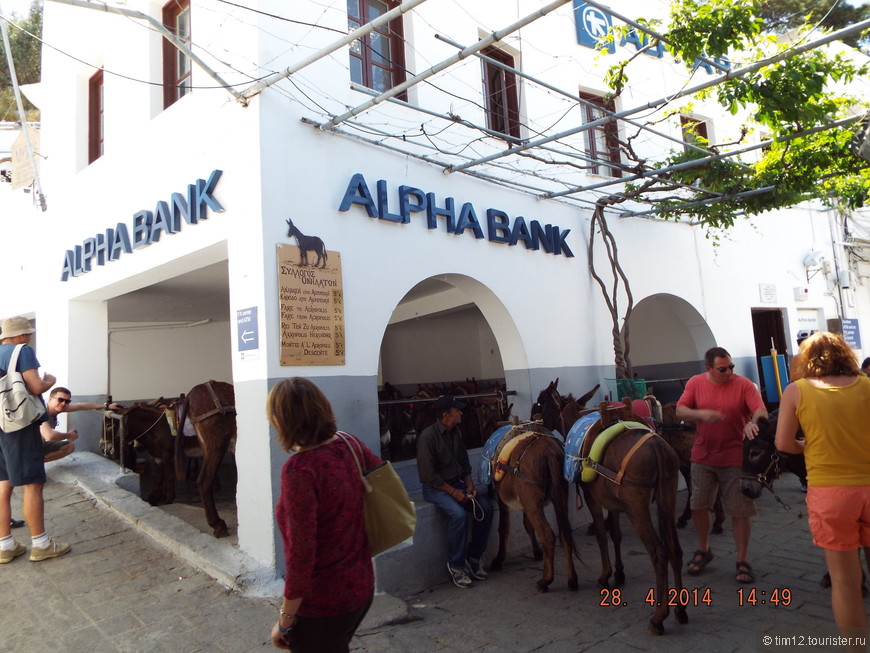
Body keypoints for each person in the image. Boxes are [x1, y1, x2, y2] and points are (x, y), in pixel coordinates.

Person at [267, 377, 380, 653]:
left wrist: (285, 618)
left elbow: (301, 553)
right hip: (361, 587)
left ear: (284, 420)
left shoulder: (299, 470)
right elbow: (379, 479)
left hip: (324, 604)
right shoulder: (349, 444)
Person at [775, 332, 870, 647]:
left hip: (831, 495)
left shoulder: (796, 391)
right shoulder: (867, 386)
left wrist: (807, 445)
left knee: (845, 582)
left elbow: (783, 444)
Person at [676, 346, 767, 583]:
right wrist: (701, 415)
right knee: (698, 505)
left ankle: (742, 559)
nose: (729, 372)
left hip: (735, 459)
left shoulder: (743, 385)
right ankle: (704, 549)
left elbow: (760, 410)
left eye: (731, 367)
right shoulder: (696, 383)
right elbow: (680, 410)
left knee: (739, 510)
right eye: (723, 369)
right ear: (710, 369)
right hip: (703, 456)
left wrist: (751, 422)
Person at [0, 316, 70, 564]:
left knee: (3, 484)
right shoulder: (23, 352)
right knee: (32, 484)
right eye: (26, 333)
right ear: (19, 335)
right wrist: (49, 382)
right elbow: (36, 387)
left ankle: (5, 546)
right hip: (19, 426)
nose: (28, 336)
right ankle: (40, 544)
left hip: (0, 425)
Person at [416, 394, 493, 588]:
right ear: (445, 416)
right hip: (435, 488)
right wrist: (453, 493)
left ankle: (474, 557)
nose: (460, 413)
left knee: (485, 508)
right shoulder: (428, 437)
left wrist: (469, 484)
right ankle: (456, 565)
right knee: (458, 515)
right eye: (456, 410)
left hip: (456, 483)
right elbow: (428, 476)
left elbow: (464, 462)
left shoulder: (455, 432)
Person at [41, 387, 121, 463]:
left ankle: (36, 462)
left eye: (67, 401)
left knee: (69, 447)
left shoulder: (59, 408)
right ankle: (33, 462)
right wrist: (69, 435)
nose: (63, 403)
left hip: (39, 446)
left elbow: (81, 406)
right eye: (60, 400)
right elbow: (50, 436)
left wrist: (106, 406)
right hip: (30, 448)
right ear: (50, 399)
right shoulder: (41, 412)